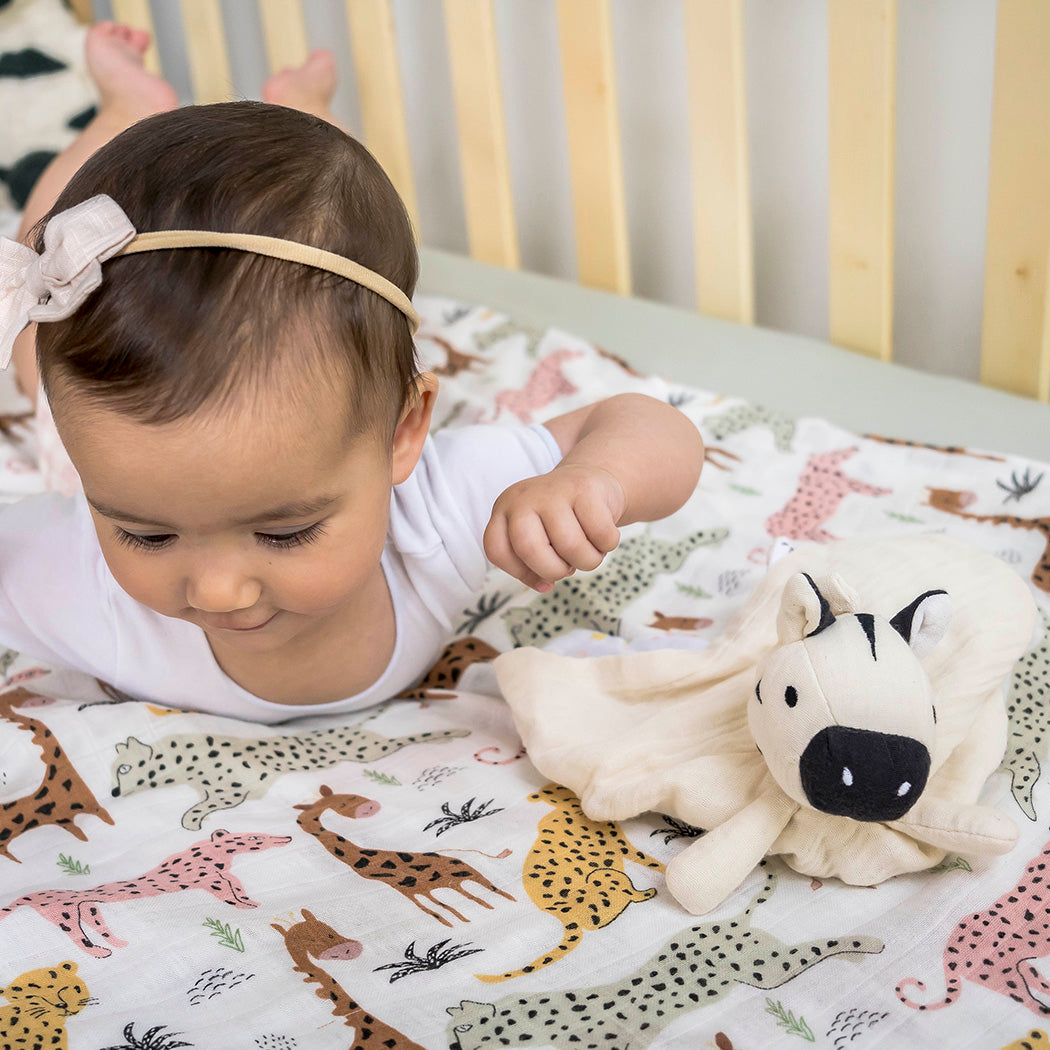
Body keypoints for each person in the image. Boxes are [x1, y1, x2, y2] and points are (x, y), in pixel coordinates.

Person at [0, 23, 704, 723]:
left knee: (322, 194)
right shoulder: (73, 578)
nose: (218, 592)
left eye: (284, 533)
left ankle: (306, 111)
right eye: (147, 538)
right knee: (47, 309)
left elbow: (652, 427)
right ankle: (121, 111)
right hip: (106, 449)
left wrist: (593, 481)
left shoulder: (440, 510)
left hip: (142, 454)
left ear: (404, 431)